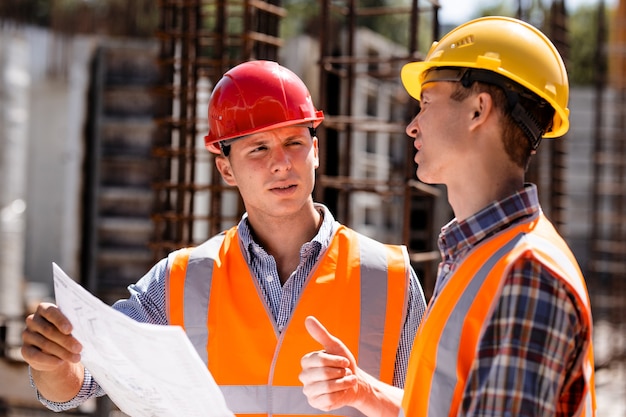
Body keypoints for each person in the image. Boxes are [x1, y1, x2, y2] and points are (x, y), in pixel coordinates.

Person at [21, 60, 427, 416]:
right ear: (226, 170)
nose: (282, 163)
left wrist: (363, 390)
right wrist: (53, 361)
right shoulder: (180, 280)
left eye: (294, 143)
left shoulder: (388, 277)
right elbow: (79, 386)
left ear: (316, 151)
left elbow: (432, 407)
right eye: (258, 149)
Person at [299, 16, 596, 417]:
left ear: (478, 109)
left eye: (425, 103)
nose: (411, 126)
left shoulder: (527, 273)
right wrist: (364, 391)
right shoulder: (482, 258)